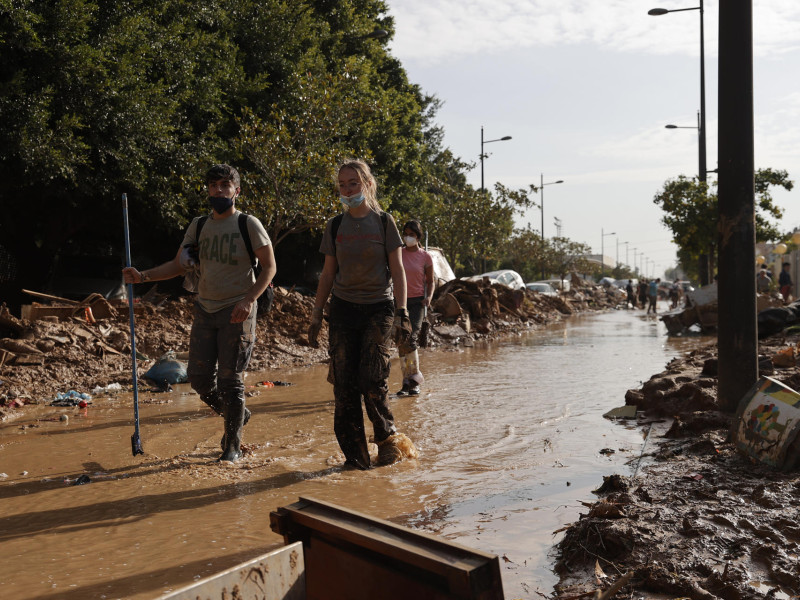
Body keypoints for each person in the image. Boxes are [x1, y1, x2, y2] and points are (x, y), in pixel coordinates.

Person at [122, 164, 276, 462]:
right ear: (208, 190)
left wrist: (249, 300)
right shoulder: (199, 226)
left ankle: (231, 447)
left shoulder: (248, 224)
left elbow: (269, 267)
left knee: (231, 381)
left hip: (237, 310)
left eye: (225, 185)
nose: (219, 190)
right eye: (213, 185)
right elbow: (179, 265)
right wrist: (141, 276)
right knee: (199, 378)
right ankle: (237, 415)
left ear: (236, 190)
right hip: (205, 308)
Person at [307, 158, 414, 470]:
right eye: (342, 184)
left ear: (367, 184)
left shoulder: (384, 222)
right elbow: (327, 274)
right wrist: (316, 313)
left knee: (371, 378)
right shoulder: (335, 225)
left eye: (353, 183)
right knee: (344, 385)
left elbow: (398, 270)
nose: (347, 189)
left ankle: (386, 440)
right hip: (342, 309)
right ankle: (355, 458)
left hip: (378, 308)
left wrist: (402, 313)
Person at [397, 219, 434, 396]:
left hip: (417, 302)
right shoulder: (398, 253)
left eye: (411, 235)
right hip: (399, 302)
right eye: (406, 234)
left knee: (411, 339)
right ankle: (406, 382)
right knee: (401, 341)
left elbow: (431, 281)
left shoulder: (425, 256)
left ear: (418, 237)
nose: (408, 237)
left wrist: (429, 297)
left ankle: (415, 379)